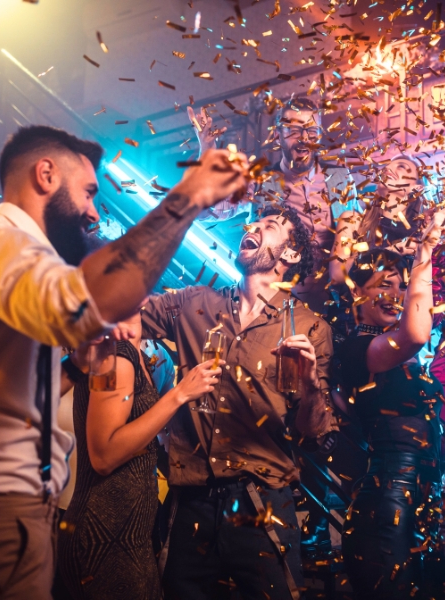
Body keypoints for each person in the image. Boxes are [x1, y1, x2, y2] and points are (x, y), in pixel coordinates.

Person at [0, 124, 249, 599]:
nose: (93, 211)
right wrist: (189, 196)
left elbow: (15, 390)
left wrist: (80, 364)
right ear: (45, 174)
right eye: (87, 192)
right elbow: (95, 298)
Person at [141, 205, 333, 600]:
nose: (253, 227)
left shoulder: (311, 327)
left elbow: (314, 434)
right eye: (253, 222)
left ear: (290, 254)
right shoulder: (194, 302)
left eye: (269, 225)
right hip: (191, 500)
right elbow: (123, 315)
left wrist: (311, 383)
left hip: (262, 503)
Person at [337, 215, 445, 600]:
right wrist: (425, 249)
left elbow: (428, 446)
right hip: (386, 508)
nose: (395, 295)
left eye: (401, 286)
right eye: (384, 284)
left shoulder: (407, 361)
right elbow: (415, 332)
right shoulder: (356, 350)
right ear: (357, 292)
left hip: (425, 503)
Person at [57, 309, 221, 599]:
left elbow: (147, 436)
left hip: (130, 533)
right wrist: (179, 394)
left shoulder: (144, 357)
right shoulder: (115, 357)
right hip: (105, 534)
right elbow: (104, 456)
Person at [192, 96, 359, 305]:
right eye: (294, 130)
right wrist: (206, 152)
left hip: (334, 305)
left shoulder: (340, 178)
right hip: (275, 304)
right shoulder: (260, 182)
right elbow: (203, 211)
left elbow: (358, 236)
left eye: (311, 130)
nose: (303, 138)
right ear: (278, 136)